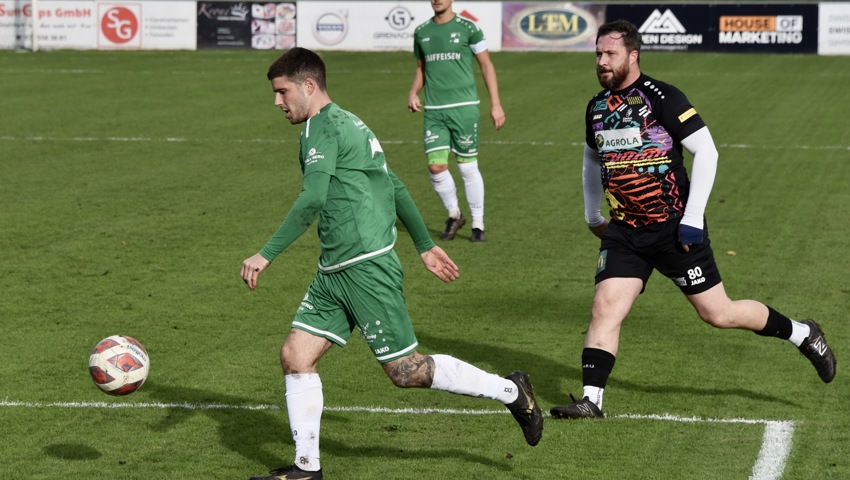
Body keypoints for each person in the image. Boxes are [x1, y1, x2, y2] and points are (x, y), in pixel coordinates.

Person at [241, 47, 543, 480]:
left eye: (282, 91)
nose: (277, 101)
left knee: (405, 371)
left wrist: (265, 253)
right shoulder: (348, 122)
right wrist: (424, 244)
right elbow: (393, 184)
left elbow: (313, 199)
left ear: (308, 86)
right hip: (334, 270)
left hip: (365, 267)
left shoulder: (325, 127)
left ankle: (511, 390)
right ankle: (307, 467)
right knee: (295, 355)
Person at [550, 20, 836, 420]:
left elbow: (707, 151)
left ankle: (803, 334)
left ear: (633, 55)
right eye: (598, 53)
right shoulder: (596, 106)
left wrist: (693, 218)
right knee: (605, 307)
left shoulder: (662, 97)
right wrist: (592, 213)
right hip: (625, 231)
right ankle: (591, 400)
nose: (602, 61)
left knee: (718, 313)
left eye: (610, 54)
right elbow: (592, 157)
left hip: (675, 229)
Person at [407, 0, 504, 243]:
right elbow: (421, 68)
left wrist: (495, 104)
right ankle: (454, 214)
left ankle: (478, 224)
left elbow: (486, 65)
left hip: (464, 109)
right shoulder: (421, 32)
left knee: (467, 167)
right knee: (436, 167)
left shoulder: (469, 28)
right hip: (434, 111)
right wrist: (413, 92)